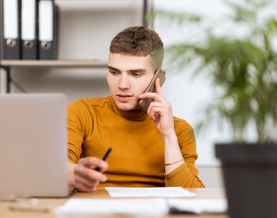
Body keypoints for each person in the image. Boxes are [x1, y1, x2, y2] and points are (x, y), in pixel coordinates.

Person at [67, 26, 204, 192]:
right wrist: (76, 173)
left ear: (158, 78)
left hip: (154, 216)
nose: (122, 85)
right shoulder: (82, 113)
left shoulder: (179, 130)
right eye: (114, 72)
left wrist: (168, 136)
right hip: (96, 215)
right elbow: (57, 167)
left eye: (136, 74)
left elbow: (191, 195)